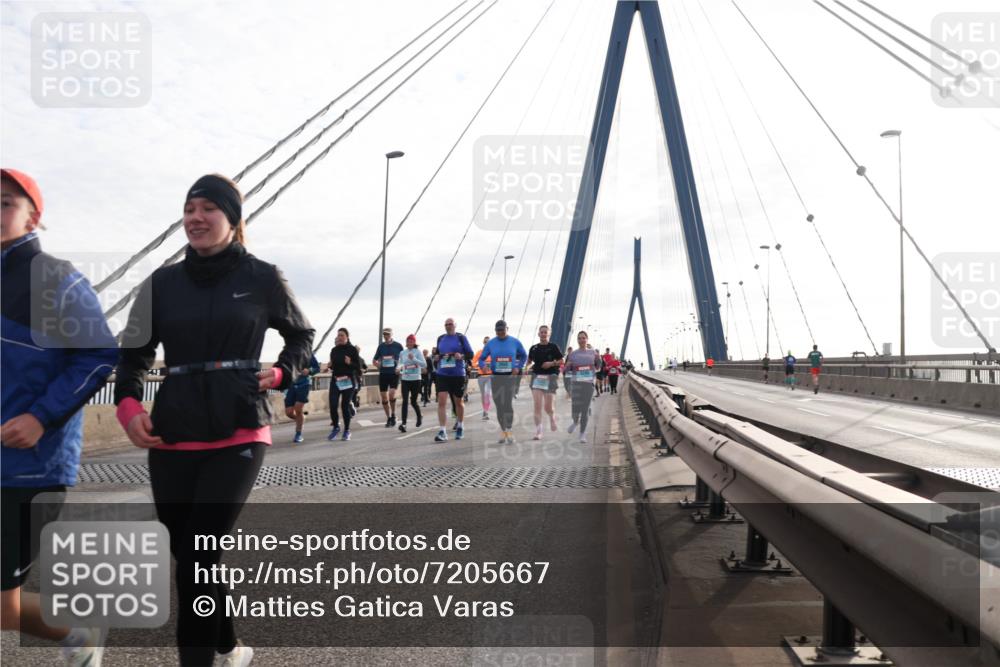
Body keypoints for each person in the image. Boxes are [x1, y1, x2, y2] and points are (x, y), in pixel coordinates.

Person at [115, 173, 313, 666]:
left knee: (198, 557)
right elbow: (133, 354)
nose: (195, 219)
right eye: (189, 209)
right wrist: (129, 406)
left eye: (208, 209)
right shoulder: (162, 283)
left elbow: (301, 338)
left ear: (233, 219)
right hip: (173, 432)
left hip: (239, 426)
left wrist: (284, 370)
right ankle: (229, 644)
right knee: (190, 555)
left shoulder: (262, 277)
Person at [1, 168, 118, 666]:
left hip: (27, 464)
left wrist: (40, 418)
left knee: (3, 608)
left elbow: (98, 355)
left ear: (34, 216)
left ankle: (77, 633)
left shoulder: (55, 277)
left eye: (6, 201)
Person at [479, 320, 528, 445]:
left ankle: (509, 430)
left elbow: (524, 355)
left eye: (502, 330)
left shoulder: (515, 342)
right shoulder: (491, 343)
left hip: (509, 378)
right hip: (496, 377)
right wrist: (483, 366)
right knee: (499, 406)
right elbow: (481, 358)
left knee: (507, 404)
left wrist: (518, 367)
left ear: (507, 328)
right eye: (498, 330)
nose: (500, 332)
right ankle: (503, 430)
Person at [432, 318, 474, 442]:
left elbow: (470, 354)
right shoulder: (440, 338)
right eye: (446, 324)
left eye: (450, 324)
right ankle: (442, 431)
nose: (448, 326)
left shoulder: (461, 338)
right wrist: (436, 357)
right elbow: (438, 354)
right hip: (442, 374)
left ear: (455, 325)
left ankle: (460, 426)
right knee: (441, 402)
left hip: (457, 374)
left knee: (458, 402)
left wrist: (461, 356)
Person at [564, 331, 602, 443]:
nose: (581, 340)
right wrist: (567, 367)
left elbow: (599, 365)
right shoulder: (573, 354)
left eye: (583, 338)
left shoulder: (593, 353)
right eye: (579, 338)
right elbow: (566, 369)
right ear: (577, 340)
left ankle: (582, 434)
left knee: (585, 409)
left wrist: (595, 370)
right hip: (576, 383)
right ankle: (575, 422)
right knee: (575, 408)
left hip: (589, 384)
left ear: (587, 339)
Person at [527, 325, 563, 440]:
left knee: (548, 407)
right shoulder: (533, 348)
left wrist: (551, 364)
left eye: (545, 332)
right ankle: (539, 431)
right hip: (537, 377)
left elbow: (562, 361)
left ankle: (552, 416)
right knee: (537, 406)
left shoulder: (553, 347)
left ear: (549, 334)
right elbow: (528, 361)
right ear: (538, 334)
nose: (543, 334)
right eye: (541, 332)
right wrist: (526, 367)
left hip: (550, 376)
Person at [327, 328, 361, 440]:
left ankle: (347, 430)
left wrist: (350, 363)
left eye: (342, 335)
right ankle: (336, 427)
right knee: (332, 405)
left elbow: (358, 367)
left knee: (344, 406)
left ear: (347, 337)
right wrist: (330, 365)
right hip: (336, 380)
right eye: (338, 335)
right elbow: (333, 366)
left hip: (348, 380)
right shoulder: (334, 350)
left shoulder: (352, 350)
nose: (339, 337)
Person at [284, 354, 319, 443]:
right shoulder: (288, 353)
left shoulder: (308, 354)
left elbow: (317, 368)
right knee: (288, 413)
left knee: (298, 408)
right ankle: (301, 419)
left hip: (304, 384)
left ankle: (298, 433)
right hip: (290, 385)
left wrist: (309, 371)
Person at [373, 328, 403, 428]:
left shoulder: (398, 346)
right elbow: (374, 360)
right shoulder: (381, 347)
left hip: (394, 373)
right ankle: (389, 417)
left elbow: (404, 359)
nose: (386, 336)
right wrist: (377, 365)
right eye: (384, 334)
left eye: (388, 334)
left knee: (391, 394)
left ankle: (394, 414)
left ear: (391, 334)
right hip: (383, 373)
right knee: (384, 397)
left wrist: (400, 367)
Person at [396, 334, 426, 432]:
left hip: (416, 379)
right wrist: (398, 368)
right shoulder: (402, 352)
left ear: (414, 342)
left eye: (411, 341)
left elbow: (424, 364)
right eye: (407, 341)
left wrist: (414, 359)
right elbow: (400, 363)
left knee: (413, 401)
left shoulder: (417, 352)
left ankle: (419, 416)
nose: (409, 342)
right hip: (405, 379)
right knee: (405, 401)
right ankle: (403, 424)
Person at [472, 336, 492, 421]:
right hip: (481, 376)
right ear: (483, 343)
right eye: (485, 342)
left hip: (490, 376)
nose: (487, 343)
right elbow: (473, 362)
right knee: (483, 395)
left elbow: (499, 362)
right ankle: (485, 410)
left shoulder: (493, 353)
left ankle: (486, 412)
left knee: (487, 393)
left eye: (488, 342)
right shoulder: (479, 352)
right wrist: (478, 365)